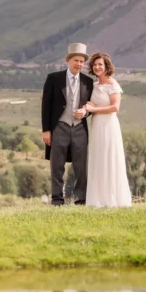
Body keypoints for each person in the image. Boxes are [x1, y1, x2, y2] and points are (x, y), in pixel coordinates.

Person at [41, 43, 95, 206]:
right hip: (59, 127)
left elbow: (92, 105)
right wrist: (46, 130)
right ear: (68, 61)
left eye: (81, 61)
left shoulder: (88, 82)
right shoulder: (54, 78)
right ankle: (57, 199)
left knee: (81, 167)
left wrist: (85, 113)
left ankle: (81, 199)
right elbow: (46, 104)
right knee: (56, 165)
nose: (79, 64)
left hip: (80, 129)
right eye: (76, 60)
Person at [83, 52, 133, 208]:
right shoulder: (94, 86)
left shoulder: (113, 84)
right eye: (95, 65)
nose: (97, 67)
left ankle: (112, 198)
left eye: (100, 65)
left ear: (106, 67)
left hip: (109, 125)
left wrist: (94, 109)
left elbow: (115, 107)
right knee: (98, 158)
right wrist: (86, 107)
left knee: (109, 158)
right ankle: (98, 199)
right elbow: (91, 102)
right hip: (96, 125)